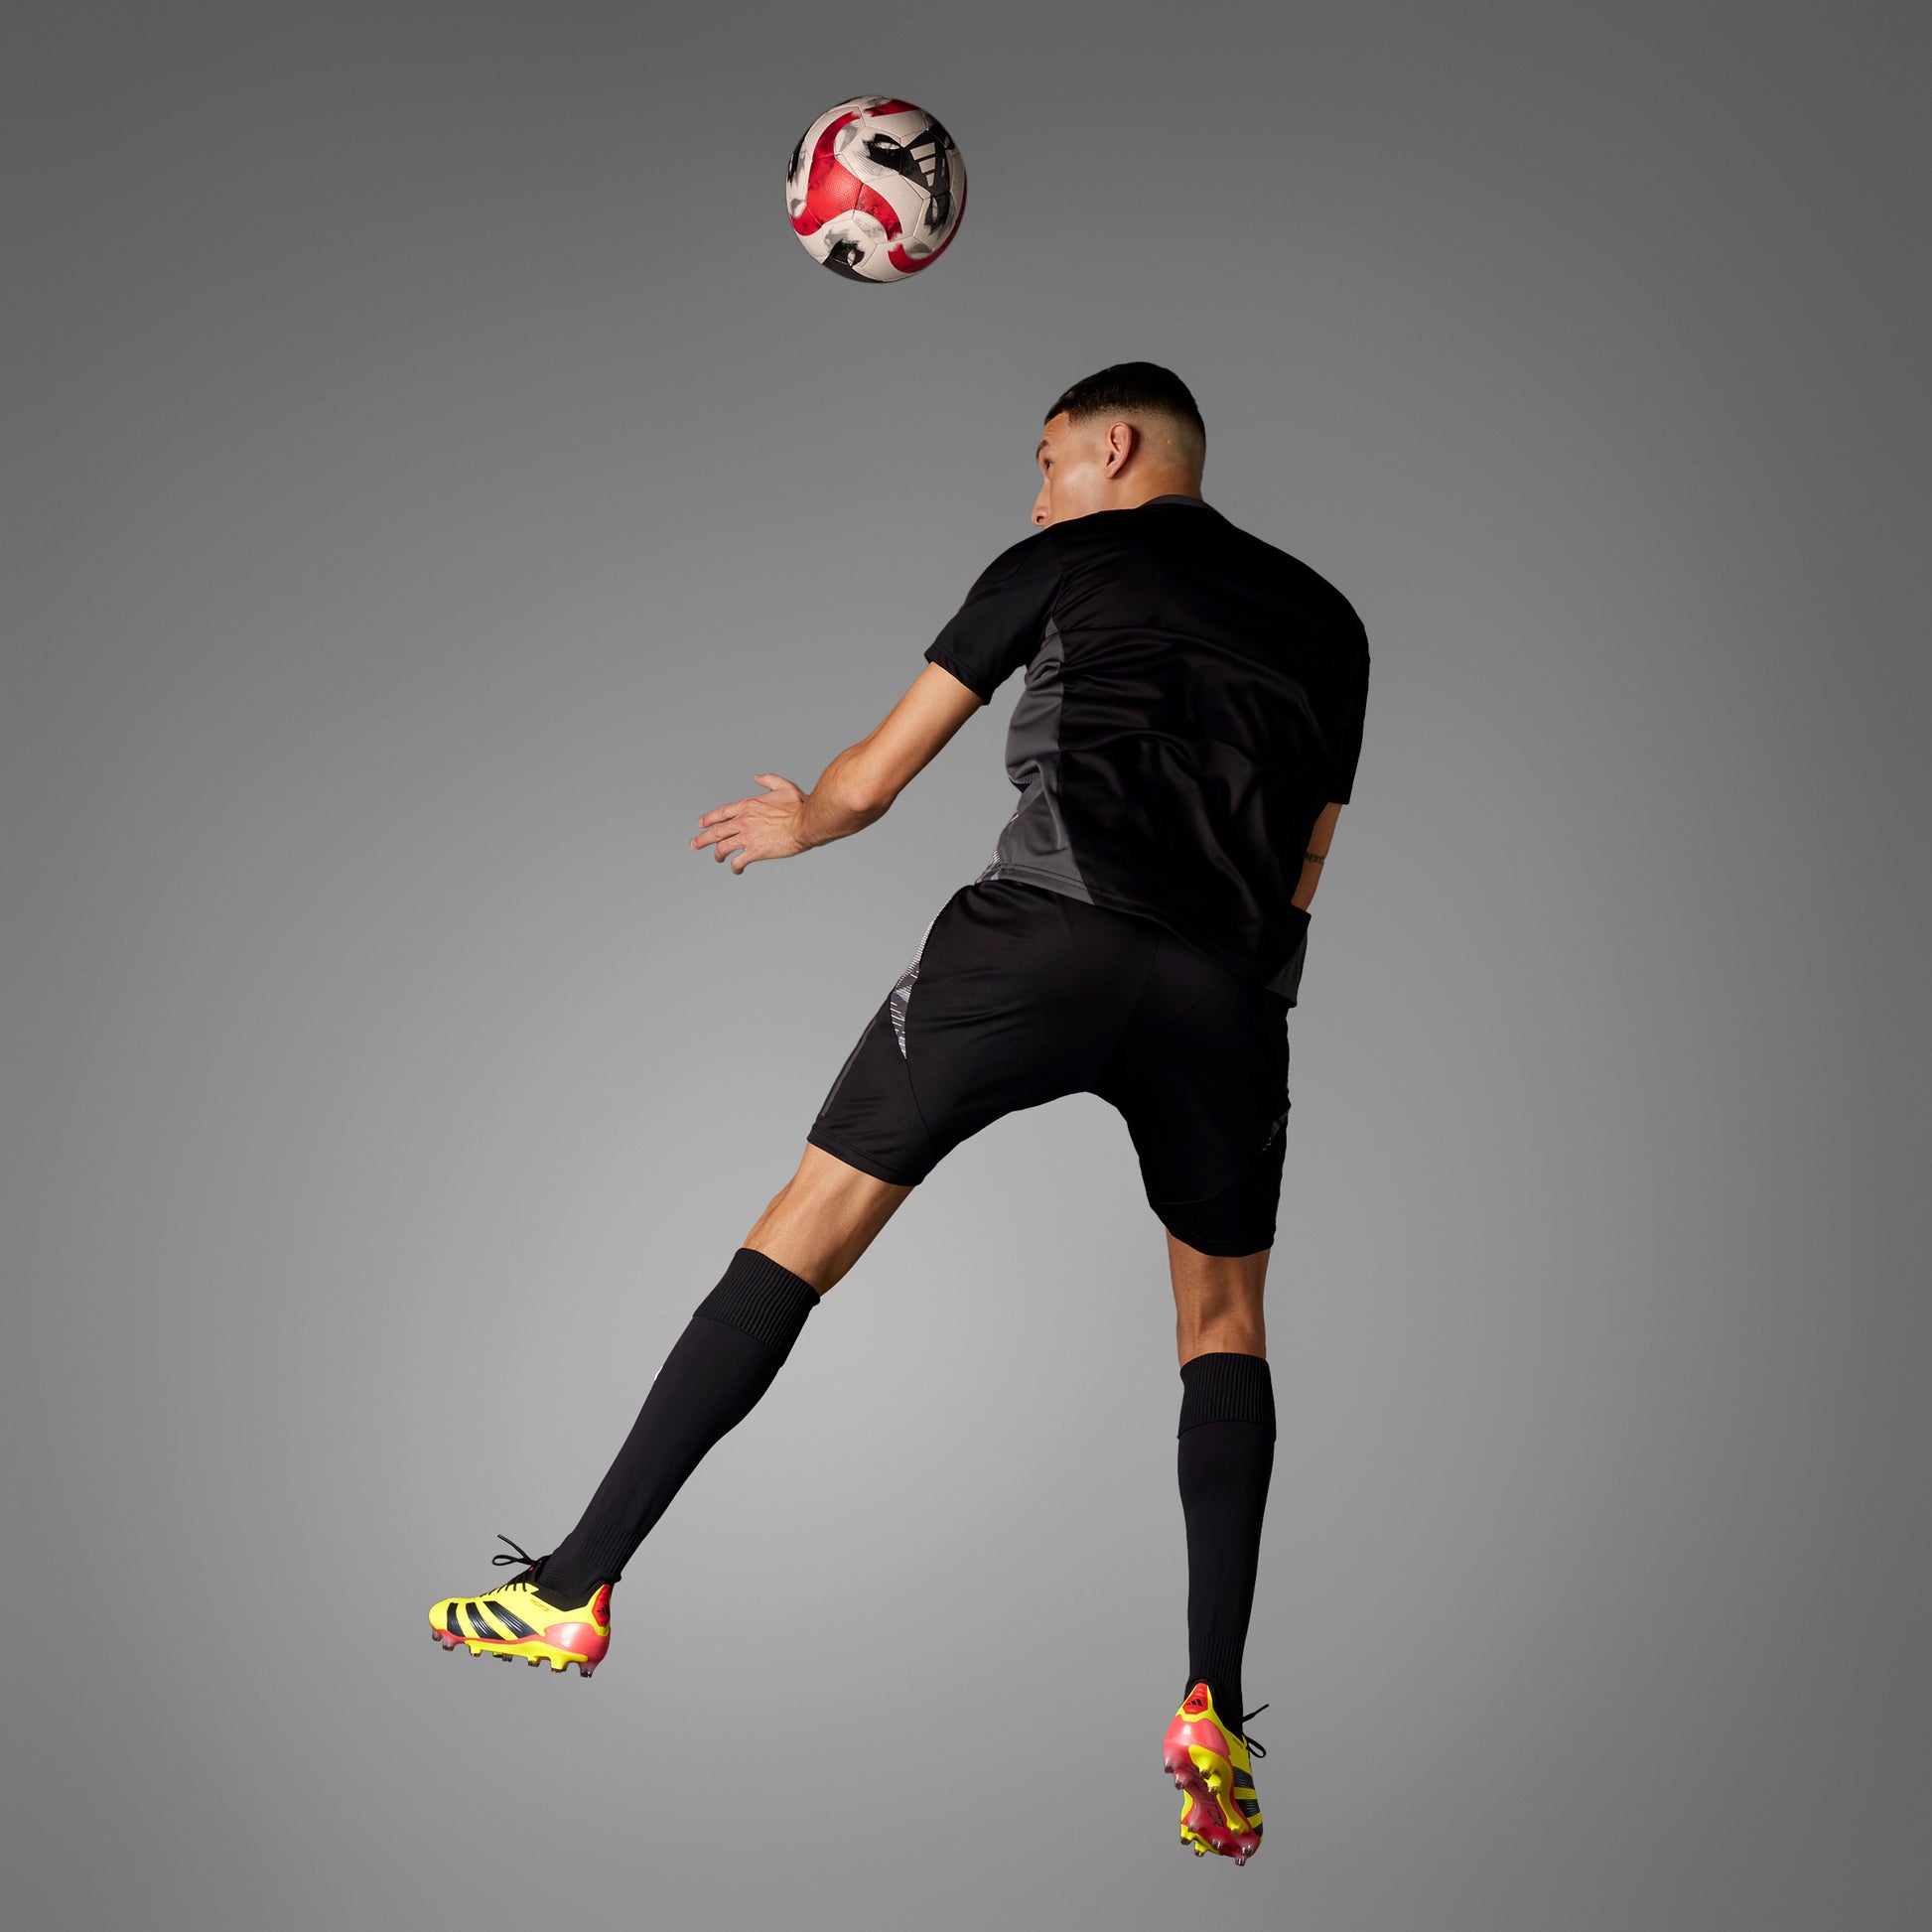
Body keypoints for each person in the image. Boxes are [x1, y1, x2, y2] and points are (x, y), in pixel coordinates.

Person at [428, 361, 1371, 1865]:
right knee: (1224, 1320)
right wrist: (1234, 996)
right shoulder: (1332, 622)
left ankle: (569, 1586)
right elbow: (1307, 861)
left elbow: (874, 777)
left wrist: (802, 818)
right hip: (1226, 995)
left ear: (1114, 446)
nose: (1038, 492)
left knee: (805, 1226)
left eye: (1048, 459)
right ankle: (1211, 1699)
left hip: (1040, 940)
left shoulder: (1065, 559)